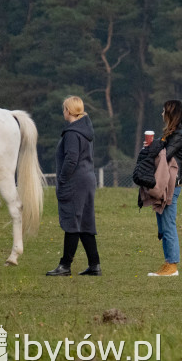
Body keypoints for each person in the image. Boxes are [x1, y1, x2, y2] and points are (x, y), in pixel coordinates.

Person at [46, 96, 100, 276]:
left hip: (75, 181)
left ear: (68, 111)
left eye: (64, 109)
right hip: (87, 179)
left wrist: (62, 179)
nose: (63, 112)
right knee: (85, 222)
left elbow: (71, 159)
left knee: (72, 222)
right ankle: (94, 265)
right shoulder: (86, 130)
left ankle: (65, 266)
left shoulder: (71, 133)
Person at [147, 99, 182, 277]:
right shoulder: (171, 133)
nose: (162, 114)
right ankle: (167, 263)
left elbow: (165, 154)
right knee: (162, 224)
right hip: (165, 182)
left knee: (168, 223)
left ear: (171, 114)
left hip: (172, 184)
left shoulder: (179, 135)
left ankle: (172, 265)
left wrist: (152, 149)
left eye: (164, 111)